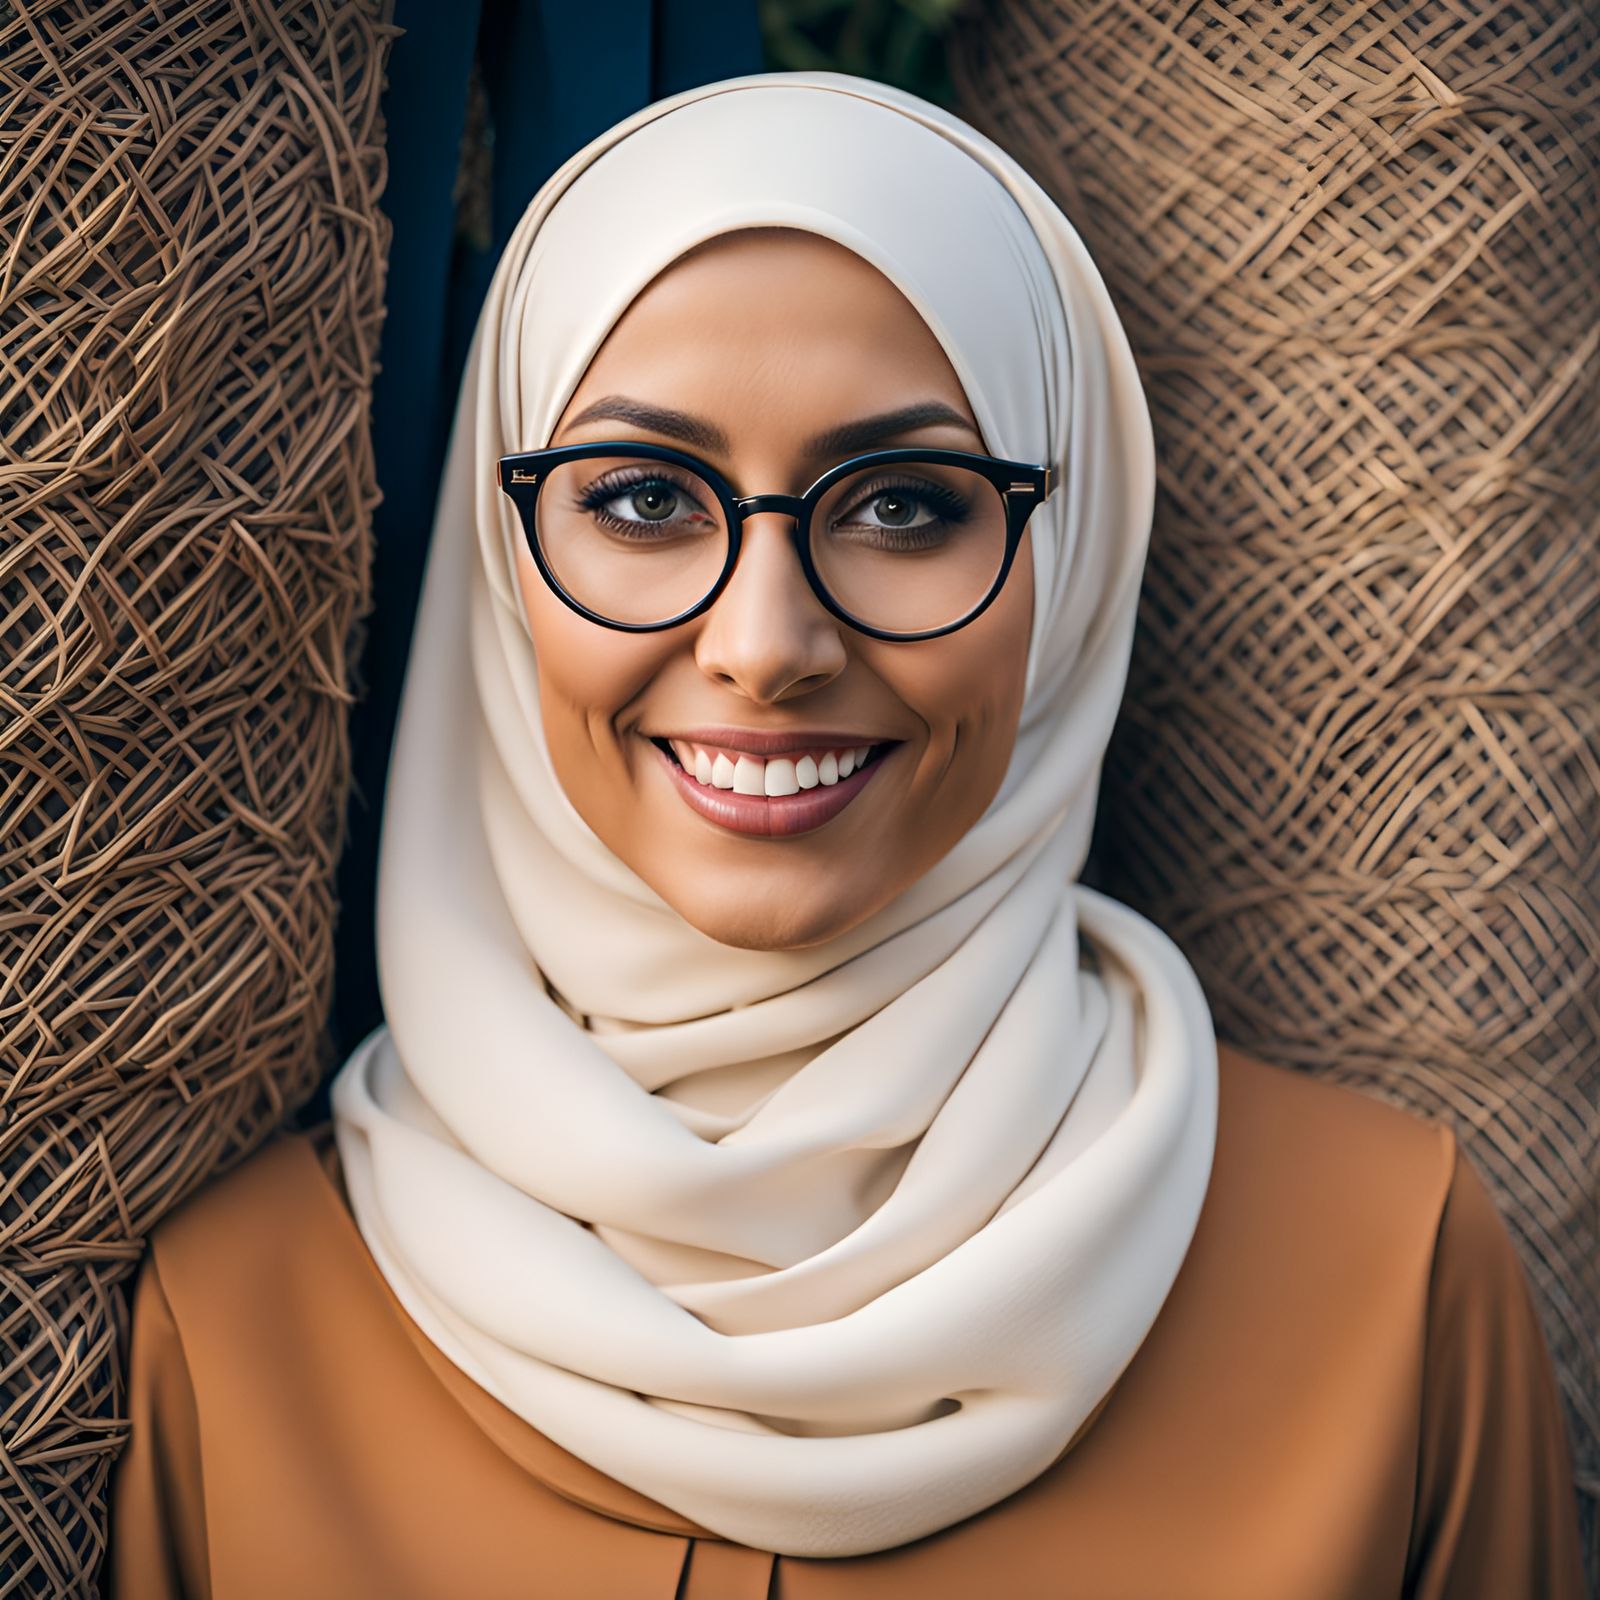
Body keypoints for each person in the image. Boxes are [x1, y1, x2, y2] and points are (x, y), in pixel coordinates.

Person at [107, 71, 1586, 1599]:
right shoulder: (242, 1332)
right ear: (505, 561)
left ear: (1063, 569)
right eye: (635, 497)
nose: (766, 643)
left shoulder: (1381, 1274)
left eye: (903, 508)